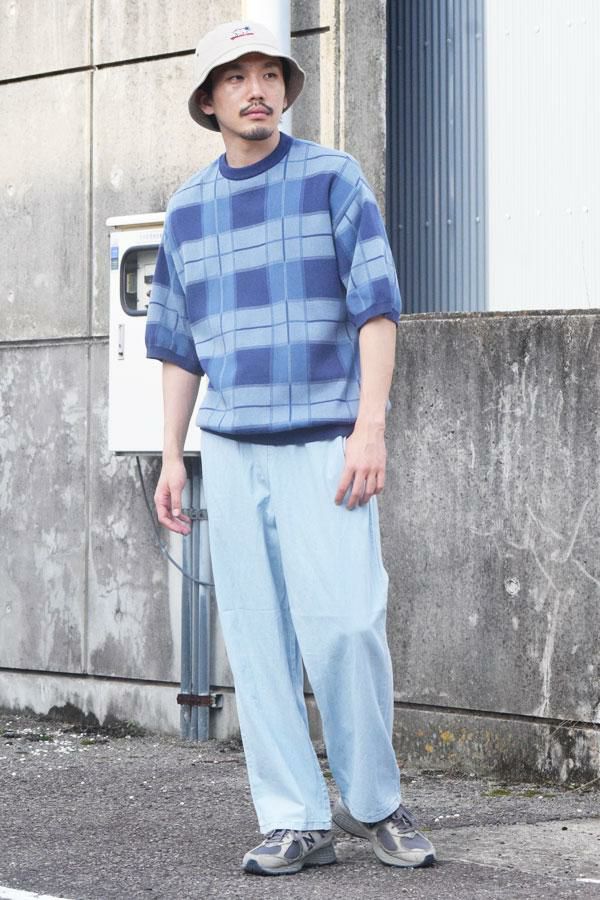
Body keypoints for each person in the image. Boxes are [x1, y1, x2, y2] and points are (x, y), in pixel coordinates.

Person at [145, 19, 436, 877]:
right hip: (233, 450)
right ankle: (293, 818)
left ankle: (374, 802)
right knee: (258, 638)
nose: (257, 89)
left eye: (269, 74)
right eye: (236, 77)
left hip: (327, 445)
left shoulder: (333, 179)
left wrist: (370, 425)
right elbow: (178, 345)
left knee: (347, 625)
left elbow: (377, 307)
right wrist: (172, 454)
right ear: (209, 101)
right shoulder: (187, 209)